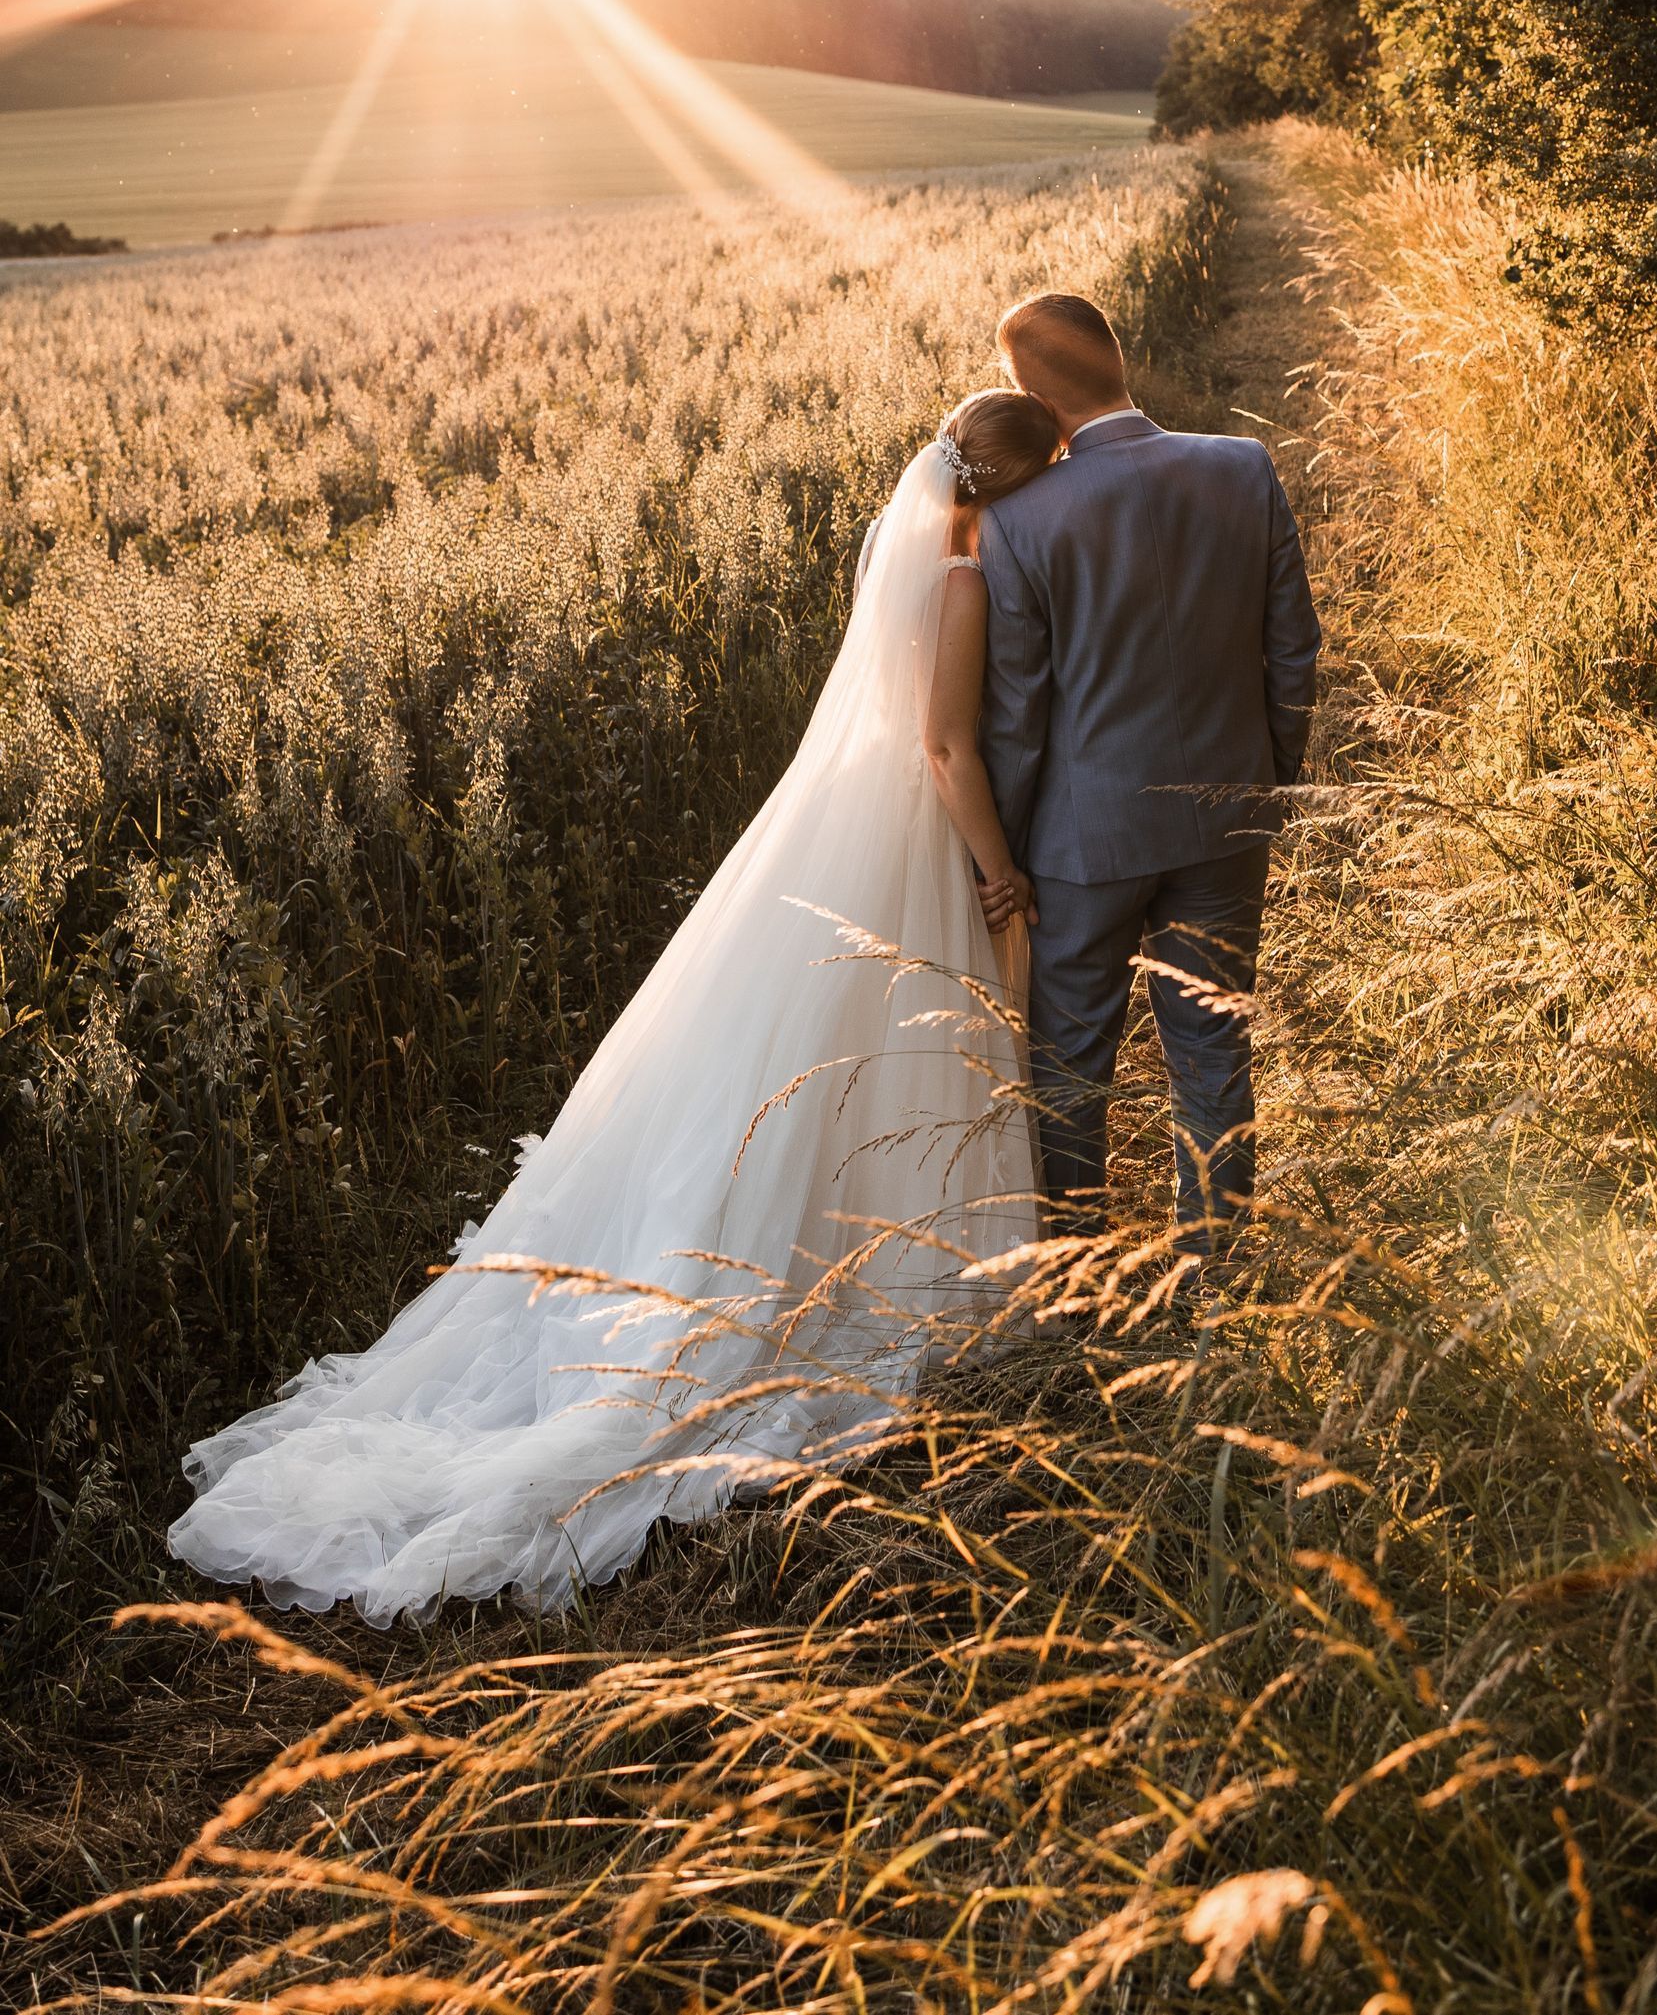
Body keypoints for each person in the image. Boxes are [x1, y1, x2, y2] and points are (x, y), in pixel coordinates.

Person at [168, 390, 1058, 1625]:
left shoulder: (907, 558)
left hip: (847, 822)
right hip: (911, 833)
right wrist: (999, 871)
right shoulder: (962, 583)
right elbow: (947, 748)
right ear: (1008, 490)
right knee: (880, 1052)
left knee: (807, 1057)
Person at [979, 292, 1320, 1255]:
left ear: (1034, 397)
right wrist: (1267, 787)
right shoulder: (1241, 467)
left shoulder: (1023, 520)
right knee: (1213, 1050)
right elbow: (1294, 651)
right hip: (1225, 821)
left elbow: (1016, 718)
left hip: (1081, 845)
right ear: (1117, 360)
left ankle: (1078, 1285)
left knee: (1071, 1070)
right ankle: (1216, 1280)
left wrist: (999, 855)